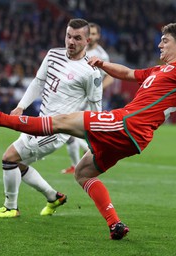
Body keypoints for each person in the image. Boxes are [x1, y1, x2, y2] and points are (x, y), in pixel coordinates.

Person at [0, 23, 176, 240]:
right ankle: (115, 224)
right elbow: (128, 74)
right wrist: (103, 63)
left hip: (127, 124)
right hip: (134, 138)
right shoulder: (160, 71)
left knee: (62, 121)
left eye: (165, 41)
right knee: (83, 174)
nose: (160, 44)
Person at [0, 18, 103, 218]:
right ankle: (53, 197)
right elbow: (38, 82)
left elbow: (95, 110)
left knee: (9, 158)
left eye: (77, 38)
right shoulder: (53, 54)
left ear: (87, 40)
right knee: (18, 164)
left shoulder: (91, 72)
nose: (71, 41)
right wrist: (21, 106)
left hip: (56, 131)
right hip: (38, 122)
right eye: (68, 36)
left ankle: (11, 207)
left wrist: (96, 141)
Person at [62, 22, 114, 174]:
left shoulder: (101, 55)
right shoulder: (79, 49)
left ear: (97, 36)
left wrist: (97, 89)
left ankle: (99, 152)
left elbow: (110, 77)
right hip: (75, 95)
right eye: (88, 33)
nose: (91, 36)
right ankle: (78, 163)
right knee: (71, 129)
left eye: (93, 33)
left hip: (88, 98)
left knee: (74, 128)